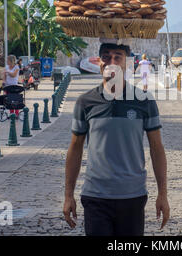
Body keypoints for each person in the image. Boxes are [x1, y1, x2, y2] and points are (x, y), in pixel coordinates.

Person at [63, 42, 170, 236]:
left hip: (133, 196)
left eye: (117, 57)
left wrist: (163, 194)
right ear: (99, 62)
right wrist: (68, 195)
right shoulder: (85, 102)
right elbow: (75, 148)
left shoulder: (144, 101)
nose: (111, 61)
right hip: (95, 196)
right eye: (106, 56)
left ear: (127, 64)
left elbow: (156, 148)